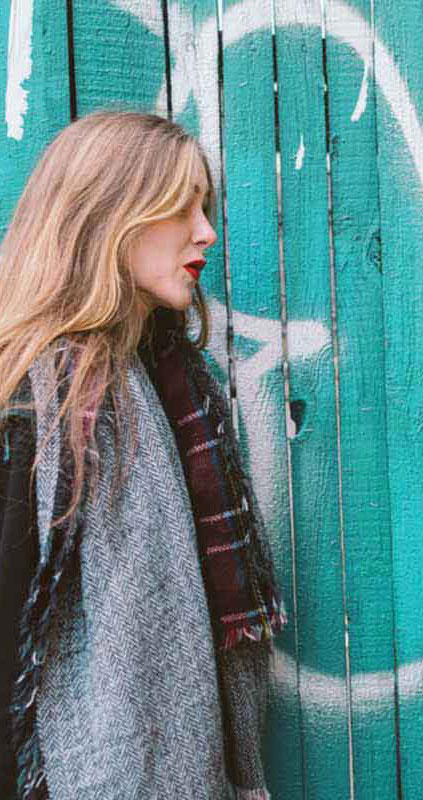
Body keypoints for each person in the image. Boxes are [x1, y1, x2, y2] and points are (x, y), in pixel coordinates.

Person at [0, 111, 285, 800]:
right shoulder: (36, 408)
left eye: (205, 208)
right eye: (181, 207)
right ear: (109, 216)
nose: (206, 232)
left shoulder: (174, 385)